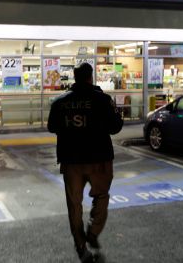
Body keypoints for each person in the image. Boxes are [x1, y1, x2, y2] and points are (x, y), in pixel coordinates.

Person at [48, 63, 124, 263]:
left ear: (74, 77)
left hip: (71, 160)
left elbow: (51, 127)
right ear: (91, 77)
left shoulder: (60, 102)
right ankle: (93, 231)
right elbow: (115, 127)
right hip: (99, 159)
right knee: (101, 196)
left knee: (74, 205)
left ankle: (80, 245)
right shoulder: (102, 100)